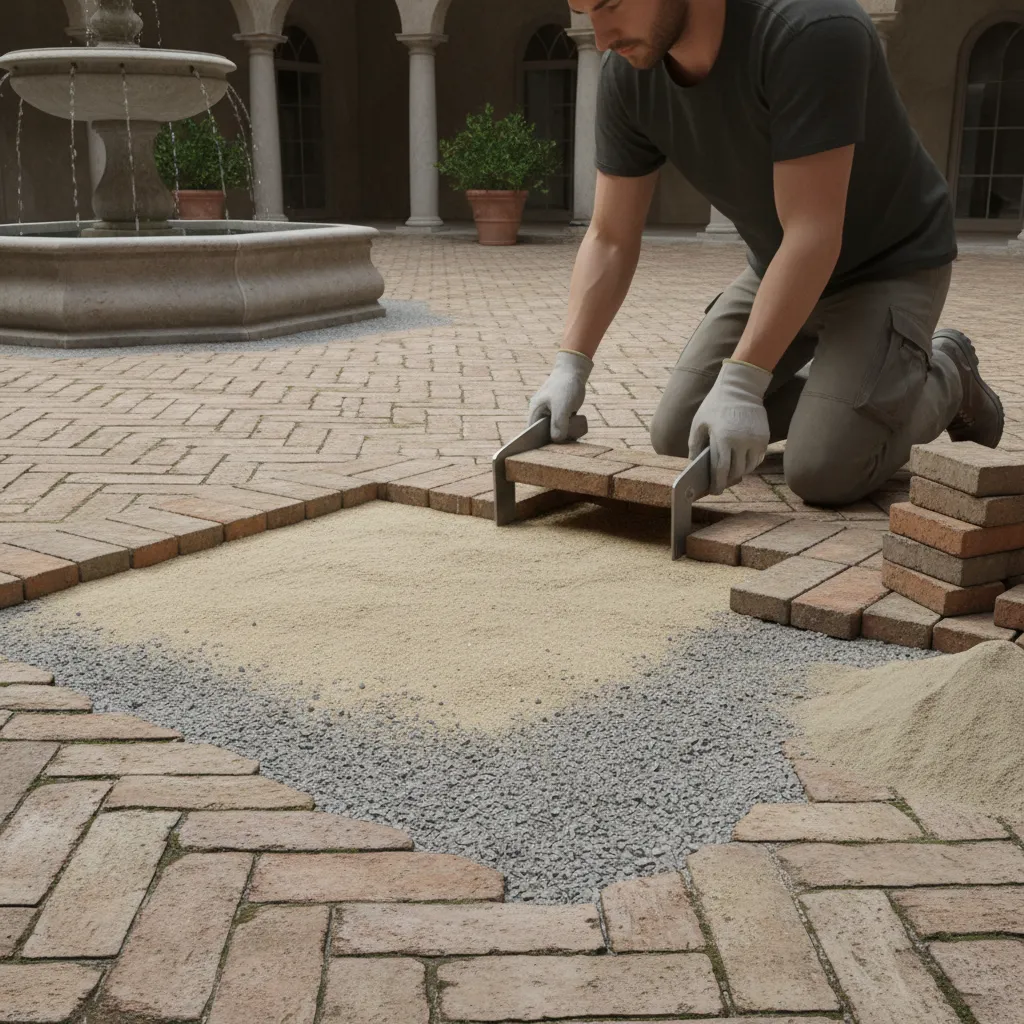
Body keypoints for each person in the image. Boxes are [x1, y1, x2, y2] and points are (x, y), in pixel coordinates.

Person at [527, 0, 1004, 502]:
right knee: (678, 433)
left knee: (824, 469)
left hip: (889, 264)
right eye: (584, 11)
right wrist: (571, 364)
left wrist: (743, 382)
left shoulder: (811, 30)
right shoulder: (628, 72)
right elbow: (610, 235)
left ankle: (948, 374)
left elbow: (813, 231)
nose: (600, 37)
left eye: (610, 5)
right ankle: (847, 392)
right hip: (781, 262)